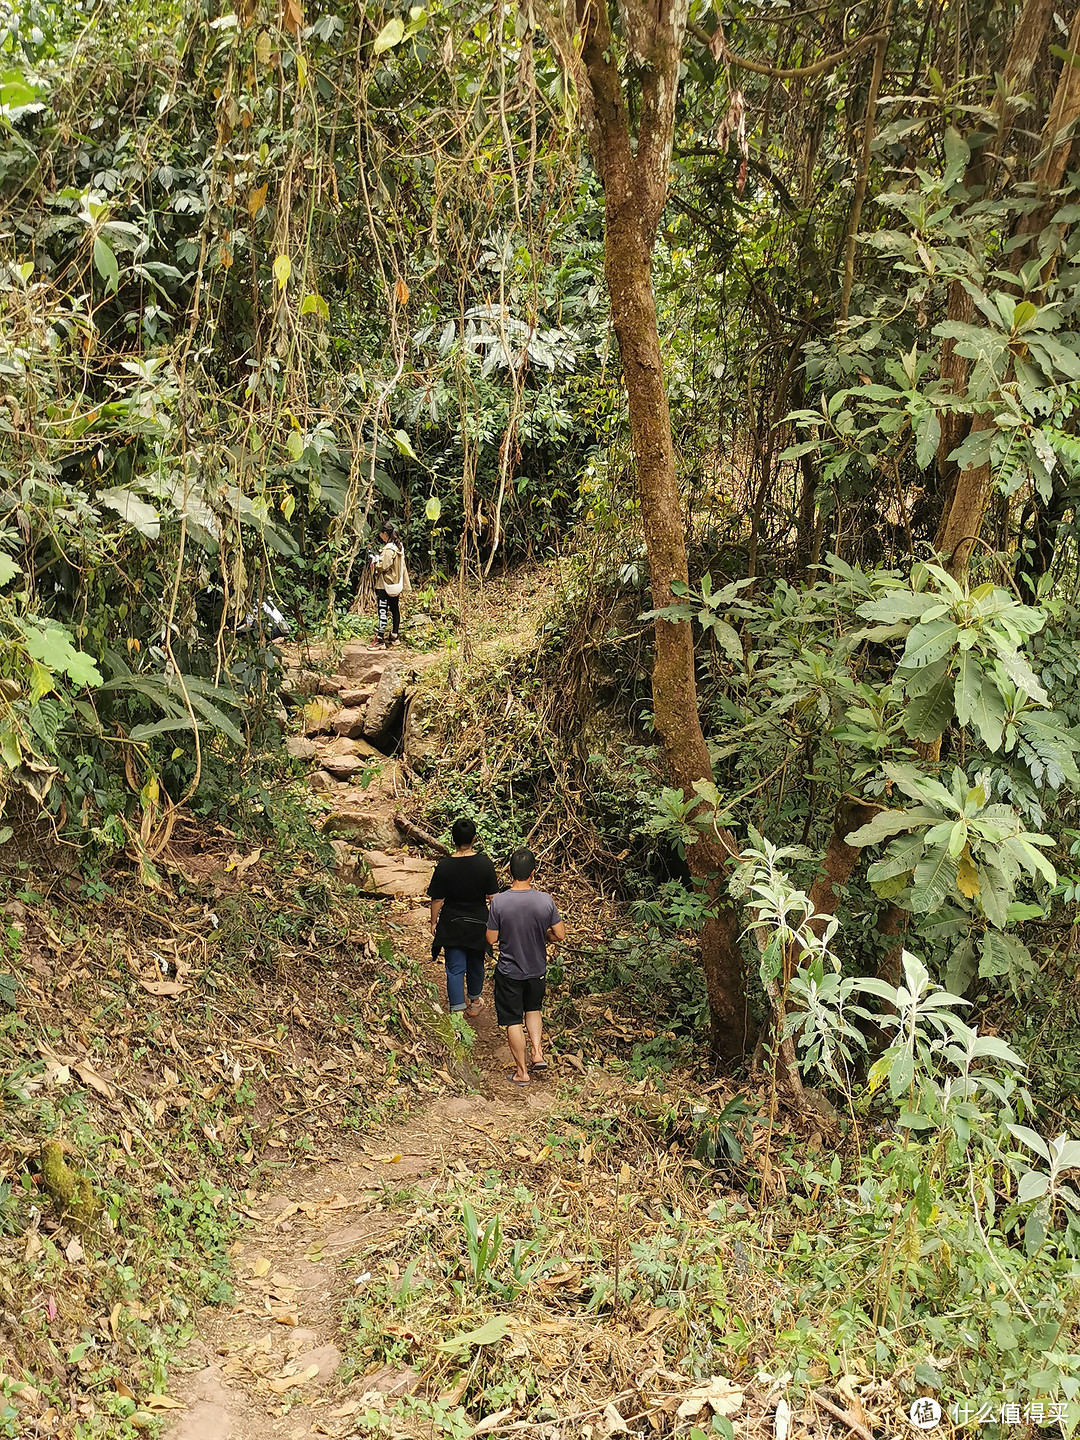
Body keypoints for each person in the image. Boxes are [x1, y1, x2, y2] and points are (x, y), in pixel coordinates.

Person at [486, 848, 565, 1086]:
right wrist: (545, 936)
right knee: (533, 1009)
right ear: (533, 872)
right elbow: (560, 934)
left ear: (509, 872)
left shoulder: (498, 902)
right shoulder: (545, 900)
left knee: (512, 1020)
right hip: (537, 969)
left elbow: (491, 939)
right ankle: (538, 1053)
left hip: (510, 971)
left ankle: (522, 1072)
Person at [428, 818, 498, 1019]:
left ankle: (457, 1010)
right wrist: (496, 923)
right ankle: (475, 1002)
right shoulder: (485, 864)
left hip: (452, 923)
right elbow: (493, 898)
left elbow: (437, 899)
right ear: (474, 839)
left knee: (455, 967)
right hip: (478, 923)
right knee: (476, 962)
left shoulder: (444, 866)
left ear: (453, 839)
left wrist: (434, 922)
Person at [370, 522, 410, 648]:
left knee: (382, 609)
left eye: (381, 533)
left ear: (385, 534)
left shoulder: (388, 549)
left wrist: (375, 562)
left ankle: (380, 638)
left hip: (385, 584)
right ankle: (394, 635)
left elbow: (383, 566)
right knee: (394, 609)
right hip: (396, 583)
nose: (380, 535)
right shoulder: (398, 546)